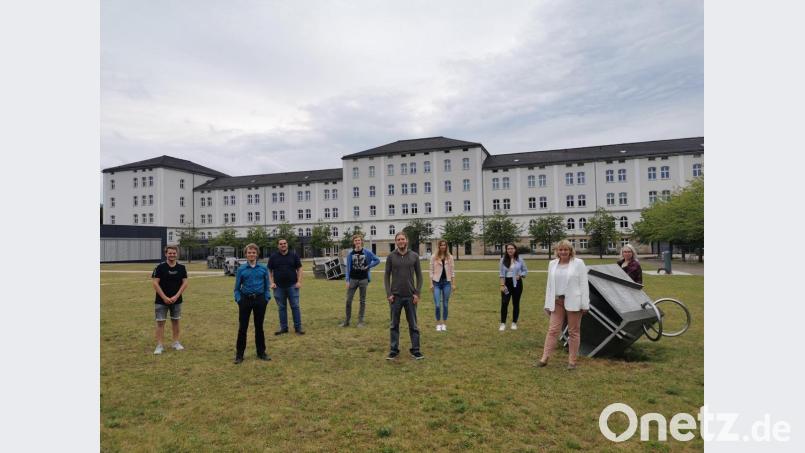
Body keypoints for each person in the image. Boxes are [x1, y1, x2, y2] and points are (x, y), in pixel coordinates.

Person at [538, 239, 589, 370]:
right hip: (556, 301)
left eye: (566, 249)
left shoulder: (578, 263)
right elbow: (549, 285)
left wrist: (585, 304)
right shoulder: (552, 264)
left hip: (574, 302)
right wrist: (547, 303)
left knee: (574, 332)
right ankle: (544, 358)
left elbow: (584, 284)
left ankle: (572, 361)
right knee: (553, 330)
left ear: (570, 251)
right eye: (561, 250)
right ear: (557, 251)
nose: (563, 252)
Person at [384, 232, 424, 360]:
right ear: (396, 242)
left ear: (406, 241)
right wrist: (389, 294)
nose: (401, 241)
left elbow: (420, 276)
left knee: (413, 325)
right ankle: (394, 350)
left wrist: (417, 293)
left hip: (411, 297)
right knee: (394, 325)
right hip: (395, 297)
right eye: (398, 239)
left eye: (403, 239)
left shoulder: (414, 256)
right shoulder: (391, 257)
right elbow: (386, 276)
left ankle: (416, 350)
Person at [233, 243, 272, 364]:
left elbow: (267, 286)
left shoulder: (263, 268)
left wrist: (267, 297)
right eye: (249, 252)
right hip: (245, 300)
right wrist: (239, 299)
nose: (251, 254)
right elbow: (236, 288)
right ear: (246, 254)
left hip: (260, 300)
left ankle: (261, 352)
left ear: (257, 254)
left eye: (254, 252)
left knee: (259, 327)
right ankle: (239, 355)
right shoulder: (241, 269)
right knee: (242, 328)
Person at [151, 245, 188, 354]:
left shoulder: (182, 268)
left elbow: (185, 283)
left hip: (177, 300)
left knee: (176, 321)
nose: (172, 255)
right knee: (160, 322)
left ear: (177, 254)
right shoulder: (159, 267)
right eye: (170, 253)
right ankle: (160, 345)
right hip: (161, 301)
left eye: (174, 253)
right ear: (166, 254)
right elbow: (155, 283)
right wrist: (164, 297)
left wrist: (176, 296)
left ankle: (176, 342)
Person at [340, 234, 380, 327]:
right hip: (353, 280)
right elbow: (348, 268)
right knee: (348, 300)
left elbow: (377, 260)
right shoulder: (350, 254)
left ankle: (360, 321)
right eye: (356, 241)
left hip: (363, 279)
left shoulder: (367, 252)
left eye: (359, 240)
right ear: (353, 242)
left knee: (362, 301)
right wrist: (347, 280)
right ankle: (347, 321)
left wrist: (368, 266)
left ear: (361, 241)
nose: (357, 242)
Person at [268, 238, 305, 335]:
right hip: (278, 287)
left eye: (284, 243)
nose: (283, 245)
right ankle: (283, 328)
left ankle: (298, 328)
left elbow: (300, 269)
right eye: (281, 244)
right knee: (281, 308)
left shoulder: (294, 255)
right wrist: (271, 283)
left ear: (287, 244)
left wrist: (299, 282)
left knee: (295, 307)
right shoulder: (273, 257)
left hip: (293, 286)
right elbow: (269, 271)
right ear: (278, 246)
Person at [498, 243, 528, 331]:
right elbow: (501, 274)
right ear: (506, 250)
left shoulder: (520, 260)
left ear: (515, 249)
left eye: (512, 248)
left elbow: (525, 271)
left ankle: (514, 323)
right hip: (506, 283)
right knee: (504, 303)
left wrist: (520, 275)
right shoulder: (502, 260)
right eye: (508, 249)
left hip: (517, 284)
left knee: (516, 303)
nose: (510, 250)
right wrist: (502, 285)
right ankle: (503, 323)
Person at [429, 240, 456, 332]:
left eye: (444, 245)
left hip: (446, 283)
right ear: (439, 246)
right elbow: (431, 271)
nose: (443, 247)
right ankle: (438, 324)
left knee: (445, 304)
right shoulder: (434, 257)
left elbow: (452, 272)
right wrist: (431, 283)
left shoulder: (450, 257)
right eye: (441, 245)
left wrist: (453, 284)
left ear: (446, 246)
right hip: (436, 283)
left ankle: (444, 323)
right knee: (437, 305)